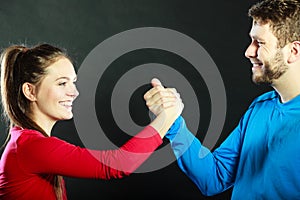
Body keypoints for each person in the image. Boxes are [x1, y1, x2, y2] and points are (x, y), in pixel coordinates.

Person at [144, 0, 300, 199]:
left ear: (293, 51)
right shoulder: (260, 108)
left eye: (259, 43)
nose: (248, 52)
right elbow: (214, 177)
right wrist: (173, 122)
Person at [0, 43, 184, 200]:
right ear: (30, 91)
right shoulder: (31, 147)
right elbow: (118, 164)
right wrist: (167, 116)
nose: (74, 92)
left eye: (74, 82)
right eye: (62, 83)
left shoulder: (27, 142)